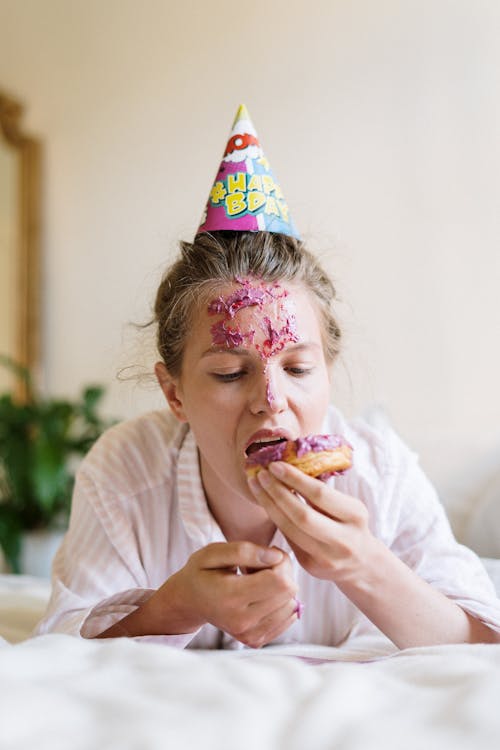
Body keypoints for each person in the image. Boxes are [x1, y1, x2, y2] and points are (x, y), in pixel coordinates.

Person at [35, 107, 500, 650]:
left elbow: (483, 648)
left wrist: (365, 566)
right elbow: (60, 650)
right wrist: (176, 605)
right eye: (231, 373)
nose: (271, 402)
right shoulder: (125, 472)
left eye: (298, 368)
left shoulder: (382, 474)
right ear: (174, 393)